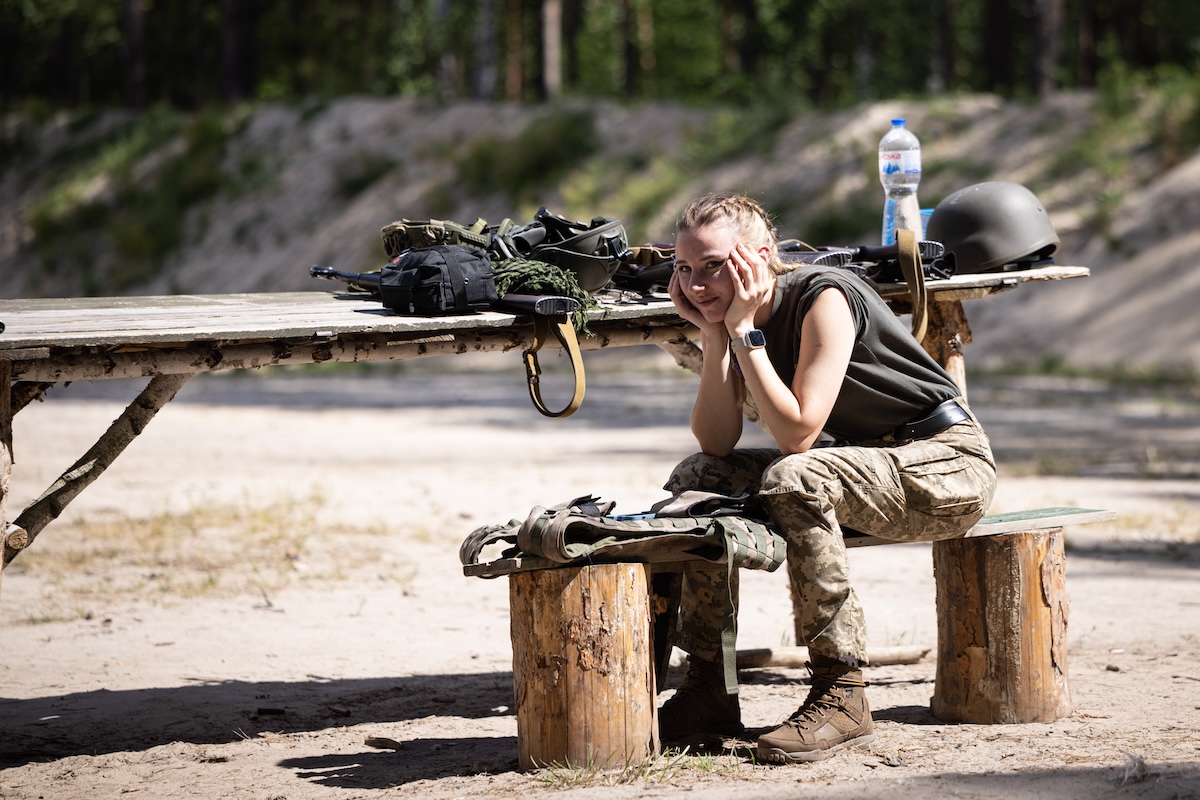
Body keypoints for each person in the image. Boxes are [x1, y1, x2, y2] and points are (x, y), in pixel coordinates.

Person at [659, 192, 997, 763]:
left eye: (714, 265)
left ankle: (841, 690)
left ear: (760, 256)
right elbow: (715, 444)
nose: (696, 284)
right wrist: (717, 335)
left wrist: (742, 333)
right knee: (702, 476)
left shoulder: (825, 296)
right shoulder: (735, 318)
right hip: (863, 463)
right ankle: (709, 687)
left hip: (945, 463)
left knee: (796, 476)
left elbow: (797, 436)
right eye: (685, 268)